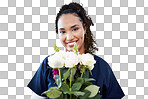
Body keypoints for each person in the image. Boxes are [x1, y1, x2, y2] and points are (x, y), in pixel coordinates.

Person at [28, 2, 125, 99]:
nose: (69, 37)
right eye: (62, 31)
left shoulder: (101, 67)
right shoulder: (50, 64)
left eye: (75, 29)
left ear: (85, 28)